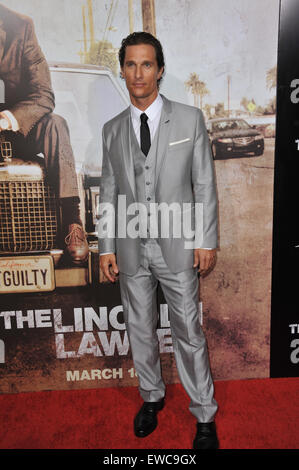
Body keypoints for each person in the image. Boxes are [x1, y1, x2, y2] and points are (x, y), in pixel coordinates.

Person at [99, 31, 219, 449]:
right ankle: (151, 397)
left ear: (160, 70)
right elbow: (110, 190)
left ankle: (204, 413)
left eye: (146, 64)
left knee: (188, 330)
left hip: (178, 246)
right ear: (122, 70)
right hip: (131, 247)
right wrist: (107, 245)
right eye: (130, 64)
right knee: (140, 329)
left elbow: (203, 184)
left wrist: (205, 240)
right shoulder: (112, 130)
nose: (138, 73)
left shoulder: (189, 119)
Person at [0, 4, 88, 264]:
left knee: (56, 124)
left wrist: (7, 119)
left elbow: (44, 95)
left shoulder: (21, 26)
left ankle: (72, 223)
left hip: (17, 130)